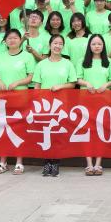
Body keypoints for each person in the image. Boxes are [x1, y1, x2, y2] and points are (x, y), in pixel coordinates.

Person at [0, 29, 36, 175]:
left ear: (20, 39)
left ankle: (19, 162)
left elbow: (31, 76)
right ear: (5, 41)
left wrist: (18, 82)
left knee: (19, 129)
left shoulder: (27, 56)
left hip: (20, 97)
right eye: (9, 38)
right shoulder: (0, 56)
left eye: (15, 38)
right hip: (2, 97)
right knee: (3, 128)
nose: (12, 40)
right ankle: (2, 161)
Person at [33, 34, 78, 177]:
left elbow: (73, 83)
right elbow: (37, 86)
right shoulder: (41, 64)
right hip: (45, 106)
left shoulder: (68, 64)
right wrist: (37, 103)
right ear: (50, 45)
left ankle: (56, 162)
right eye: (55, 43)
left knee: (58, 134)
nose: (57, 46)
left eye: (60, 44)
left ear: (63, 47)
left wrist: (61, 86)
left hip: (61, 104)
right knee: (46, 134)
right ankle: (47, 162)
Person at [77, 34, 111, 175]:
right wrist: (86, 83)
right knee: (87, 131)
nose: (96, 46)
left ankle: (98, 164)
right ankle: (89, 164)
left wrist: (106, 85)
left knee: (101, 132)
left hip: (104, 102)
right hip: (86, 101)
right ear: (89, 46)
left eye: (99, 44)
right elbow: (77, 79)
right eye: (93, 44)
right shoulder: (82, 61)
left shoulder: (109, 62)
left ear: (103, 46)